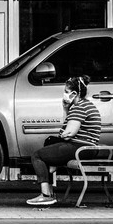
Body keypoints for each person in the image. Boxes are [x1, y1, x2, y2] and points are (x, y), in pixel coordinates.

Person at [26, 75, 101, 206]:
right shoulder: (83, 106)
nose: (64, 95)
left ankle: (46, 195)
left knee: (37, 155)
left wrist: (64, 134)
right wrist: (66, 110)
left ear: (74, 94)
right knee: (49, 142)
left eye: (66, 92)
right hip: (84, 147)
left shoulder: (80, 107)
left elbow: (68, 133)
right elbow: (66, 131)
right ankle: (50, 185)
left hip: (81, 147)